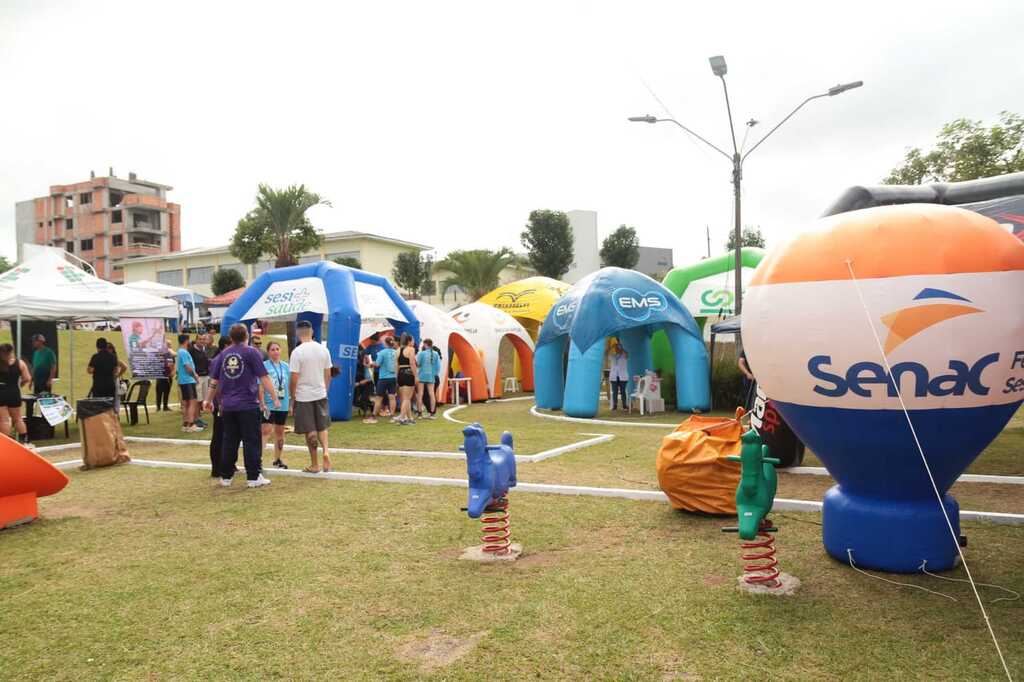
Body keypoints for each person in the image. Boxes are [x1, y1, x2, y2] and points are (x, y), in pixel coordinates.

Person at [204, 324, 278, 488]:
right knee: (251, 441)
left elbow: (214, 381)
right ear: (247, 336)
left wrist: (207, 400)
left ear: (231, 338)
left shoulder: (223, 354)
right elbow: (264, 377)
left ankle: (226, 477)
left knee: (229, 441)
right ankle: (253, 477)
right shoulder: (252, 352)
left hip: (228, 406)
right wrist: (274, 396)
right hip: (247, 405)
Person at [289, 321, 334, 473]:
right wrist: (325, 389)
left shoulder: (297, 352)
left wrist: (292, 397)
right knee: (322, 426)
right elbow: (328, 373)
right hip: (320, 392)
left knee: (310, 430)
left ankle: (315, 464)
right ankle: (326, 451)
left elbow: (294, 378)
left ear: (298, 332)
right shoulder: (323, 350)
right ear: (312, 331)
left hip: (303, 395)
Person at [260, 341, 290, 470]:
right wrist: (262, 403)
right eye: (272, 349)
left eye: (277, 349)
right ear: (268, 351)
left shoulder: (286, 366)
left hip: (283, 404)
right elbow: (260, 386)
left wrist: (292, 402)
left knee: (280, 432)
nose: (275, 351)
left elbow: (289, 385)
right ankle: (258, 459)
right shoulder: (264, 366)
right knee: (265, 431)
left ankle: (277, 459)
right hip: (269, 404)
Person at [0, 343, 32, 446]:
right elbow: (27, 378)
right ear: (12, 351)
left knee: (4, 419)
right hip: (14, 391)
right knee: (18, 418)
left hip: (1, 392)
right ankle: (25, 441)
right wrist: (20, 385)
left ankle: (5, 444)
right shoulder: (20, 363)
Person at [207, 337, 230, 477]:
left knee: (227, 436)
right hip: (221, 404)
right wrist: (218, 402)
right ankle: (217, 468)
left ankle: (227, 465)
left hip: (226, 403)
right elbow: (215, 383)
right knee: (219, 436)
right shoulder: (218, 361)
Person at [365, 336, 397, 424]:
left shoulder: (382, 352)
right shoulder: (396, 352)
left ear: (385, 343)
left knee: (378, 397)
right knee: (392, 397)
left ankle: (373, 417)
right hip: (393, 377)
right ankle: (392, 416)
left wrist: (370, 364)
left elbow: (377, 364)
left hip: (383, 378)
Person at [176, 334, 202, 432]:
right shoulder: (183, 352)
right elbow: (187, 366)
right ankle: (191, 424)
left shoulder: (181, 351)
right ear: (186, 341)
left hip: (184, 380)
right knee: (192, 402)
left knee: (187, 403)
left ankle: (186, 424)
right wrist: (195, 375)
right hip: (188, 380)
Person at [396, 332, 418, 425]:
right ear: (409, 341)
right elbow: (412, 363)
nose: (414, 342)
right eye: (413, 340)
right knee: (407, 398)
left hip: (400, 374)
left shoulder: (398, 350)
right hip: (408, 373)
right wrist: (416, 376)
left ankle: (409, 417)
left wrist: (396, 377)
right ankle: (401, 418)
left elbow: (396, 365)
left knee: (406, 398)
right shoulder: (411, 349)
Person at [190, 333, 212, 428]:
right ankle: (195, 419)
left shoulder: (203, 350)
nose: (202, 341)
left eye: (203, 339)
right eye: (200, 339)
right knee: (197, 399)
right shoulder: (192, 350)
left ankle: (198, 418)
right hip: (197, 377)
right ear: (196, 340)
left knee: (202, 399)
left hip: (205, 376)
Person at [415, 339, 437, 419]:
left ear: (425, 344)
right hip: (431, 376)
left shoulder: (421, 354)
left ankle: (420, 413)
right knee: (432, 394)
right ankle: (432, 413)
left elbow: (418, 364)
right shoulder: (436, 354)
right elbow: (437, 366)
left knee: (420, 394)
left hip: (422, 375)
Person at [608, 340, 629, 411]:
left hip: (622, 376)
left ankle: (624, 405)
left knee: (623, 391)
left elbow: (627, 354)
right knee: (615, 392)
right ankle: (615, 405)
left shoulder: (624, 356)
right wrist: (611, 347)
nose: (617, 349)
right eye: (616, 348)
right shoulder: (612, 356)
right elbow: (605, 354)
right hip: (614, 377)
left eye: (618, 347)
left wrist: (621, 347)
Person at [352, 348, 374, 416]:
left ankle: (367, 410)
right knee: (354, 401)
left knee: (363, 399)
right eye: (365, 357)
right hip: (360, 384)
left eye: (366, 357)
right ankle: (370, 406)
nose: (366, 358)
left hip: (367, 384)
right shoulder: (358, 365)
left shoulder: (367, 366)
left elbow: (369, 379)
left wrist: (358, 383)